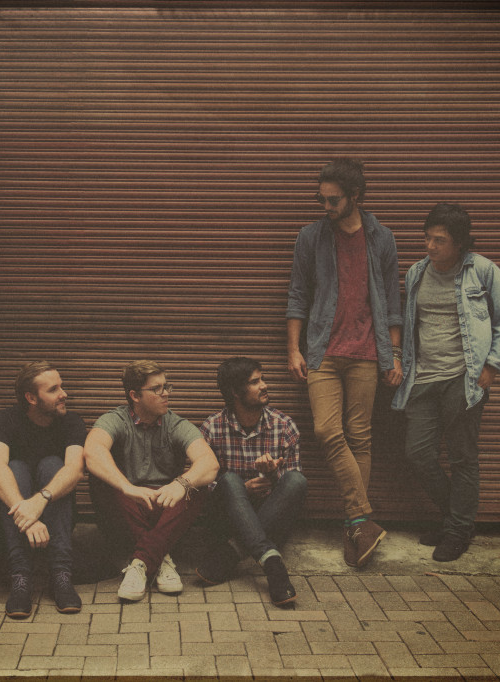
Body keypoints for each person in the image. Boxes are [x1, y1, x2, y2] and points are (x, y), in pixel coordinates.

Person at [286, 158, 403, 569]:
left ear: (355, 196)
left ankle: (355, 527)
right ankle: (361, 518)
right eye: (321, 199)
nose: (326, 207)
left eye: (333, 200)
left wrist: (395, 354)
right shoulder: (310, 237)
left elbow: (392, 300)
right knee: (326, 430)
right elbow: (298, 295)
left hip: (367, 354)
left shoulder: (382, 238)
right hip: (323, 351)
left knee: (360, 437)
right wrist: (294, 349)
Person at [392, 203, 500, 562]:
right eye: (427, 238)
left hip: (463, 378)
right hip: (422, 378)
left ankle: (457, 532)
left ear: (459, 243)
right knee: (418, 454)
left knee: (463, 458)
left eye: (439, 240)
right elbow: (411, 324)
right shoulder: (417, 272)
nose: (430, 246)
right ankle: (456, 521)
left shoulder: (483, 271)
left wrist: (491, 367)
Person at [84, 360, 220, 602]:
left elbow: (209, 463)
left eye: (167, 387)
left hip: (166, 507)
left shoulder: (175, 424)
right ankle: (159, 556)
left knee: (198, 486)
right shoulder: (115, 419)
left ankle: (142, 562)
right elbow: (93, 451)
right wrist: (127, 487)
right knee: (100, 479)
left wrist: (181, 484)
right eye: (156, 389)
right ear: (135, 395)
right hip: (129, 506)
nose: (166, 393)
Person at [196, 357, 307, 607]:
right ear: (235, 392)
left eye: (262, 379)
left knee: (296, 480)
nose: (264, 385)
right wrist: (241, 490)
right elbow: (200, 484)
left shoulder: (284, 426)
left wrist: (272, 475)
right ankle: (273, 564)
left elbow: (292, 491)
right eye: (255, 382)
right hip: (226, 520)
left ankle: (233, 551)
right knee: (229, 480)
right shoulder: (211, 428)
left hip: (270, 515)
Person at [0, 361, 87, 617]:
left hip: (54, 512)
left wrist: (39, 501)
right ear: (31, 398)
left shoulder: (72, 422)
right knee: (14, 468)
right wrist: (27, 515)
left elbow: (75, 470)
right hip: (17, 518)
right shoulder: (4, 420)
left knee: (54, 466)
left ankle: (61, 574)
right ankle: (20, 576)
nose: (64, 394)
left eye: (61, 386)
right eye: (53, 390)